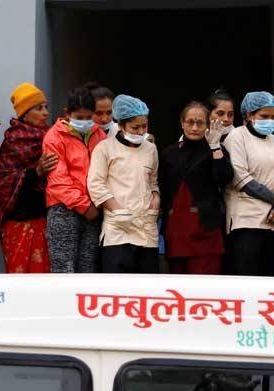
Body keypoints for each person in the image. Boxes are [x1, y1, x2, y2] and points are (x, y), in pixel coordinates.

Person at [0, 83, 58, 273]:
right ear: (24, 114)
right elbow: (3, 182)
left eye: (46, 107)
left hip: (43, 220)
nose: (45, 113)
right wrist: (36, 172)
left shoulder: (53, 137)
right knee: (20, 279)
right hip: (18, 223)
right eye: (38, 108)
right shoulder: (13, 141)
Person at [88, 94, 160, 274]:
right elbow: (96, 184)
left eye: (145, 126)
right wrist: (117, 210)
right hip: (117, 230)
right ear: (120, 125)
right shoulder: (105, 148)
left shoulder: (151, 149)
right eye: (136, 127)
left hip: (146, 228)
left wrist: (156, 200)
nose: (142, 131)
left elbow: (153, 180)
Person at [223, 91, 274, 276]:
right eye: (264, 116)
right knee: (245, 277)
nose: (270, 120)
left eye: (273, 116)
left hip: (273, 223)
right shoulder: (237, 137)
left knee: (268, 278)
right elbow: (240, 177)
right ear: (249, 115)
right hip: (245, 220)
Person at [159, 101, 233, 275]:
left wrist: (215, 147)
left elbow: (224, 178)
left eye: (200, 123)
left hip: (206, 228)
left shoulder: (215, 149)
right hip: (177, 230)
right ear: (182, 123)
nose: (194, 127)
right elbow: (162, 187)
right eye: (189, 122)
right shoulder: (169, 153)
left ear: (208, 125)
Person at [43, 85, 106, 273]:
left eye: (89, 117)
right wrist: (85, 206)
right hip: (64, 210)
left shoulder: (99, 135)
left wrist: (95, 206)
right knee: (65, 269)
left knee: (88, 269)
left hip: (93, 211)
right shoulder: (54, 137)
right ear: (67, 113)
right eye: (79, 118)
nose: (85, 122)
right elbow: (58, 181)